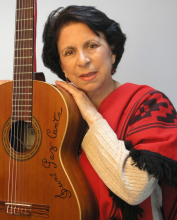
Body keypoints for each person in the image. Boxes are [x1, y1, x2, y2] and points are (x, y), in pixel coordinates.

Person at [1, 5, 176, 220]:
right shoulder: (51, 108)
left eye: (92, 45)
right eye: (69, 52)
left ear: (112, 51)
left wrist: (89, 112)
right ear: (62, 66)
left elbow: (135, 190)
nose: (82, 60)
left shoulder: (150, 103)